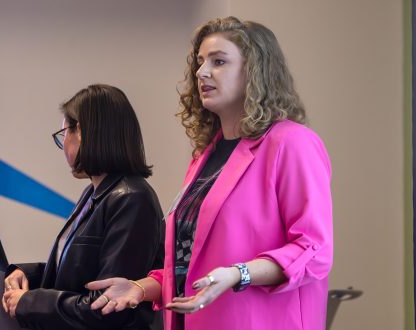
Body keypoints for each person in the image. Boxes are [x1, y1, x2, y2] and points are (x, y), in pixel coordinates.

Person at [87, 17, 333, 330]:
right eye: (201, 62)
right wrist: (140, 288)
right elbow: (191, 261)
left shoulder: (292, 143)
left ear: (255, 72)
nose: (202, 72)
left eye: (219, 62)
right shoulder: (206, 155)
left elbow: (314, 251)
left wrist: (237, 274)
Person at [1, 84, 165, 330]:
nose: (63, 143)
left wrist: (31, 301)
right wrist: (25, 274)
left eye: (64, 132)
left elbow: (107, 306)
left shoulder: (131, 198)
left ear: (86, 132)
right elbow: (76, 272)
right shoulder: (93, 192)